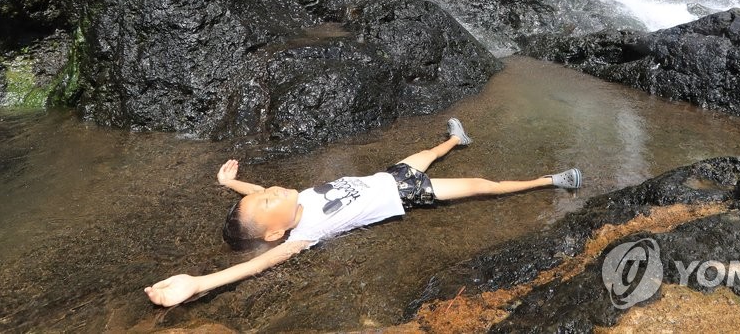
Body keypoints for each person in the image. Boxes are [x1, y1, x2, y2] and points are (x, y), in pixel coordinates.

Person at [144, 118, 582, 307]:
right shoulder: (302, 235)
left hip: (390, 174)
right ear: (274, 233)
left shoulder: (285, 202)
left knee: (431, 151)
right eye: (267, 203)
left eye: (266, 193)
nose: (271, 190)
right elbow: (258, 264)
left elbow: (258, 188)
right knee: (483, 187)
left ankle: (456, 140)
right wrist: (198, 283)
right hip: (409, 194)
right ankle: (549, 180)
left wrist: (229, 185)